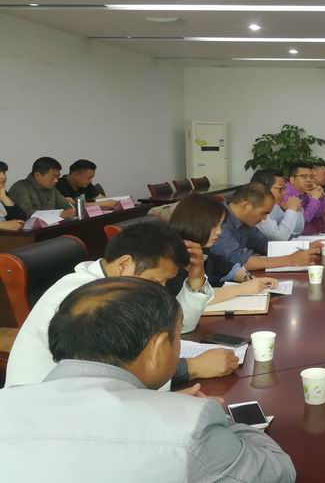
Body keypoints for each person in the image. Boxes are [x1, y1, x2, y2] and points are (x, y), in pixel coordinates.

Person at [0, 277, 296, 483]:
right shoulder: (190, 428)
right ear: (157, 348)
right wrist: (218, 419)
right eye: (177, 338)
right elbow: (278, 472)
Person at [4, 221, 232, 388]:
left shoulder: (118, 288)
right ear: (124, 264)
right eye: (156, 281)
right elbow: (104, 372)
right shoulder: (84, 300)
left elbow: (180, 328)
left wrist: (195, 280)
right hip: (44, 408)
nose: (160, 290)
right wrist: (190, 368)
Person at [168, 193, 278, 303]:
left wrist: (251, 280)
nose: (219, 232)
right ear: (197, 223)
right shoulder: (173, 255)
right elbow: (191, 298)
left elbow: (224, 267)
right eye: (214, 226)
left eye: (220, 226)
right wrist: (242, 288)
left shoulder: (202, 248)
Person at [211, 182, 320, 271]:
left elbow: (266, 245)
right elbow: (240, 260)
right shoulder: (217, 220)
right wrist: (291, 260)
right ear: (247, 206)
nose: (264, 219)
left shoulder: (245, 220)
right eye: (263, 213)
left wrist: (304, 247)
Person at [8, 156, 75, 218]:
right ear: (37, 175)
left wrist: (71, 210)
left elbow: (67, 208)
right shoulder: (20, 188)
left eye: (57, 177)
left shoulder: (51, 188)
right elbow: (25, 214)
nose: (56, 180)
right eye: (53, 177)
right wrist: (59, 214)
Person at [251, 169, 305, 240]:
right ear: (263, 188)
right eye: (280, 189)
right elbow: (280, 237)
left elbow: (297, 230)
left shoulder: (274, 206)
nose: (284, 193)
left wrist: (296, 210)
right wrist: (291, 210)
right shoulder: (255, 208)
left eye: (284, 188)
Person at [0, 161, 26, 230]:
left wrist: (4, 197)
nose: (3, 177)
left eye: (4, 173)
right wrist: (2, 225)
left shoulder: (3, 193)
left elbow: (22, 219)